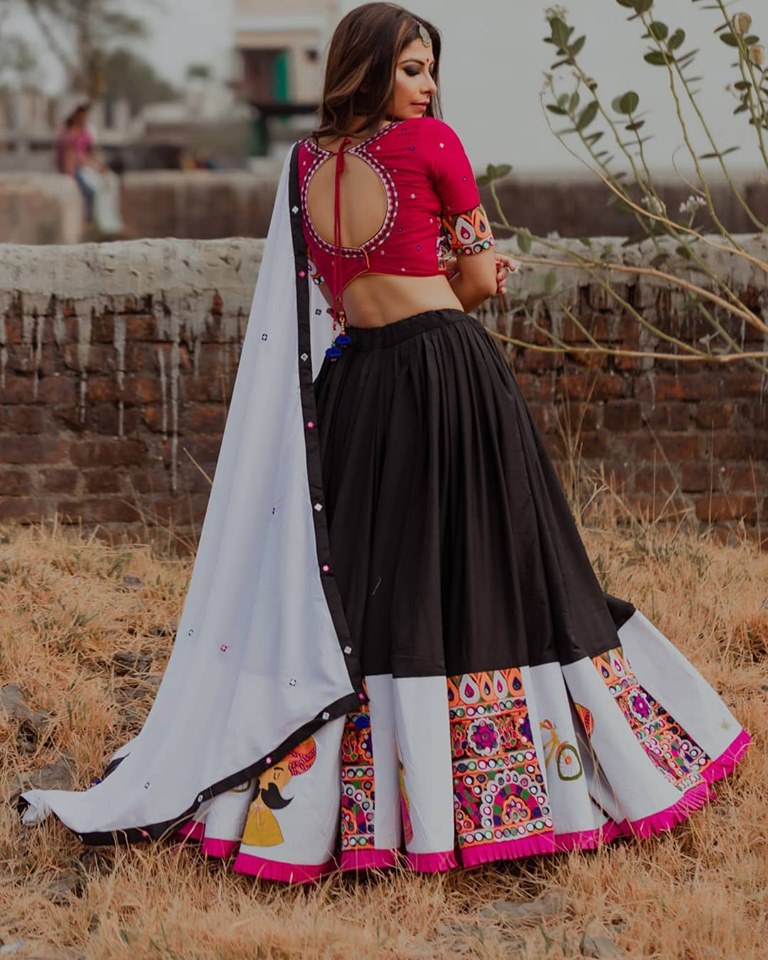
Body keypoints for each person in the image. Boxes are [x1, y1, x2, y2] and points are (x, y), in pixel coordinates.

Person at [22, 3, 749, 883]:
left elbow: (346, 292)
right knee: (494, 567)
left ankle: (355, 805)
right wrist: (478, 279)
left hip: (356, 384)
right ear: (367, 68)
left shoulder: (302, 164)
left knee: (369, 589)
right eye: (411, 68)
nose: (429, 85)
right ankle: (497, 791)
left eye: (431, 68)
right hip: (446, 375)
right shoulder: (432, 145)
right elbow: (470, 280)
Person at [56, 103, 123, 235]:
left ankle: (109, 223)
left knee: (110, 181)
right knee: (91, 190)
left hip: (86, 165)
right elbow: (72, 157)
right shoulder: (69, 134)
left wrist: (99, 166)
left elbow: (89, 153)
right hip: (76, 168)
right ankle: (90, 220)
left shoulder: (85, 133)